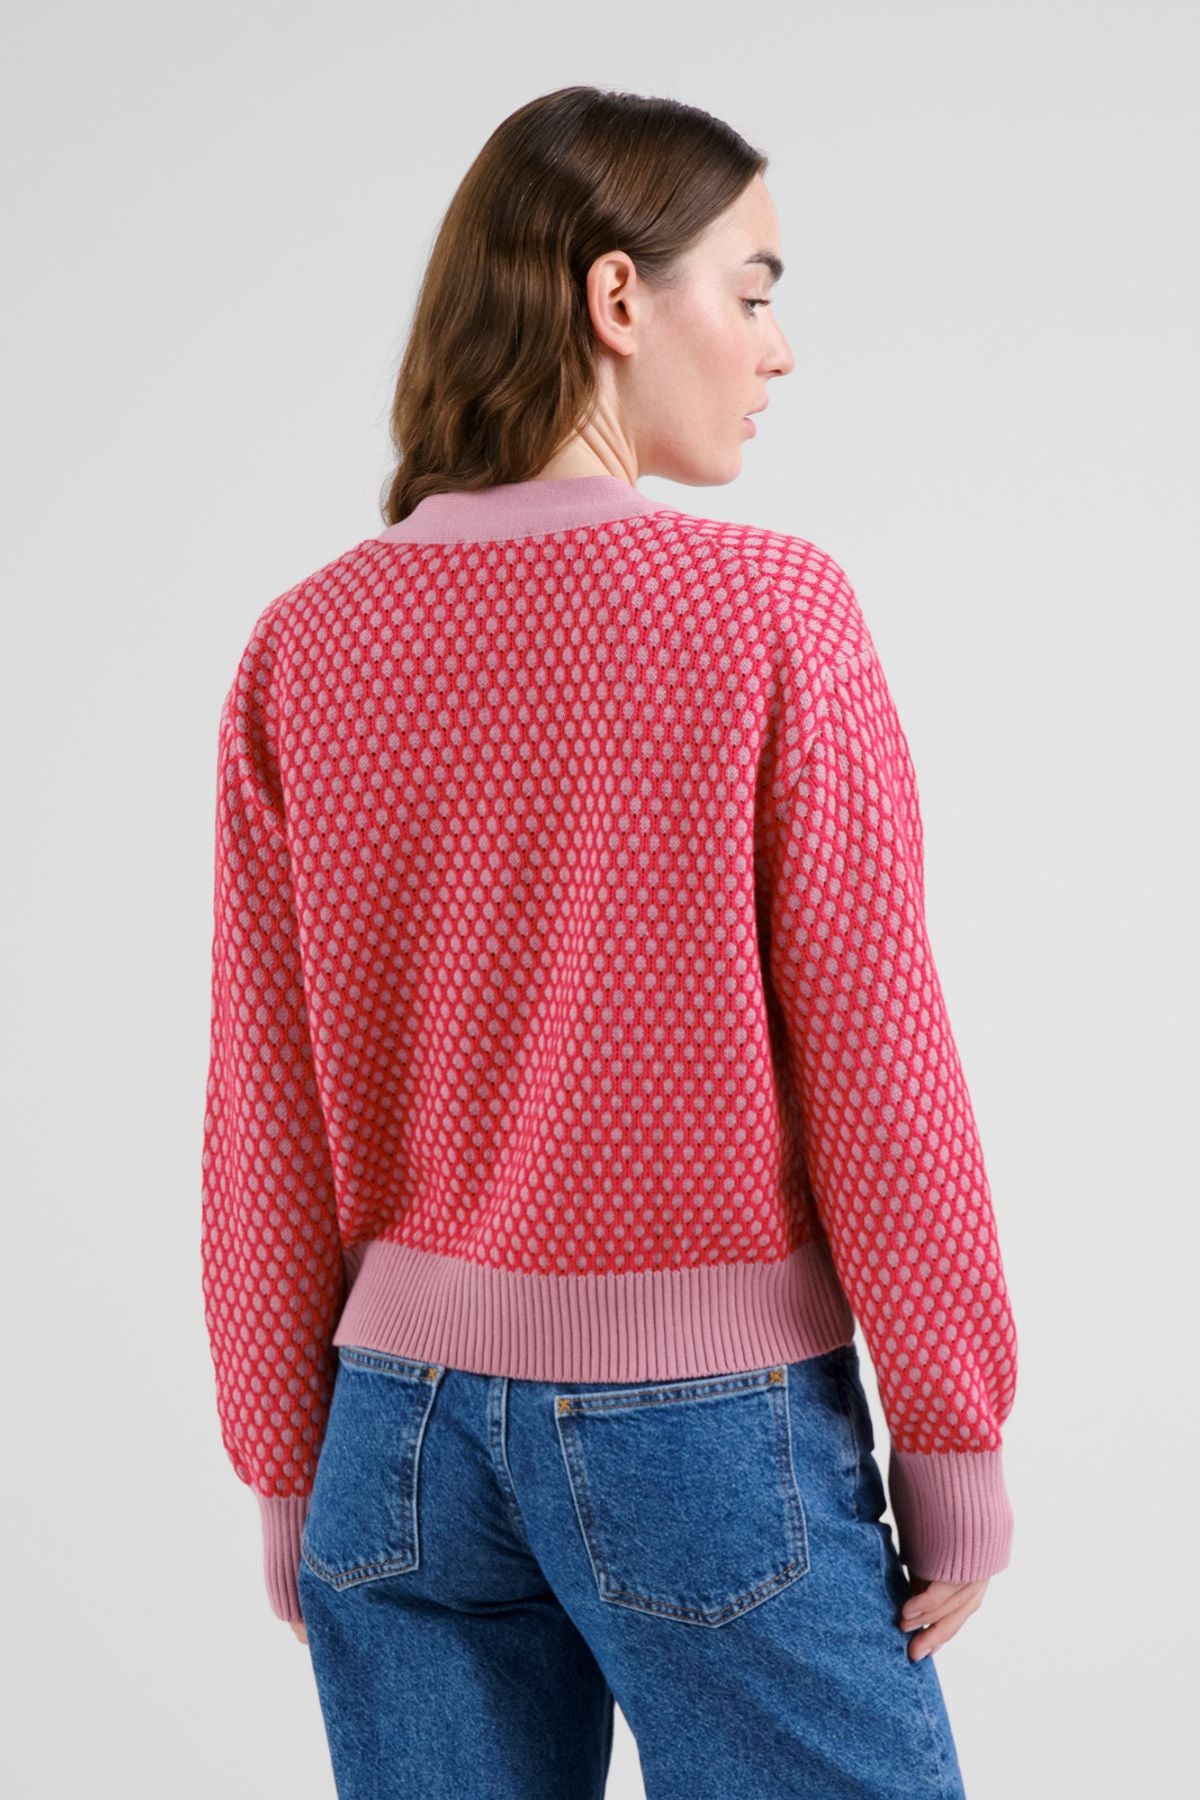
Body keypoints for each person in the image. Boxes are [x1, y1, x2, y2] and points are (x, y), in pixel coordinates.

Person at [201, 84, 1018, 1798]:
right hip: (702, 1428)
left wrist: (285, 1461)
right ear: (619, 296)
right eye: (756, 289)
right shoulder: (769, 611)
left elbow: (261, 1105)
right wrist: (953, 1431)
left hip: (395, 1439)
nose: (779, 349)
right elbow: (877, 1049)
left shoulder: (307, 644)